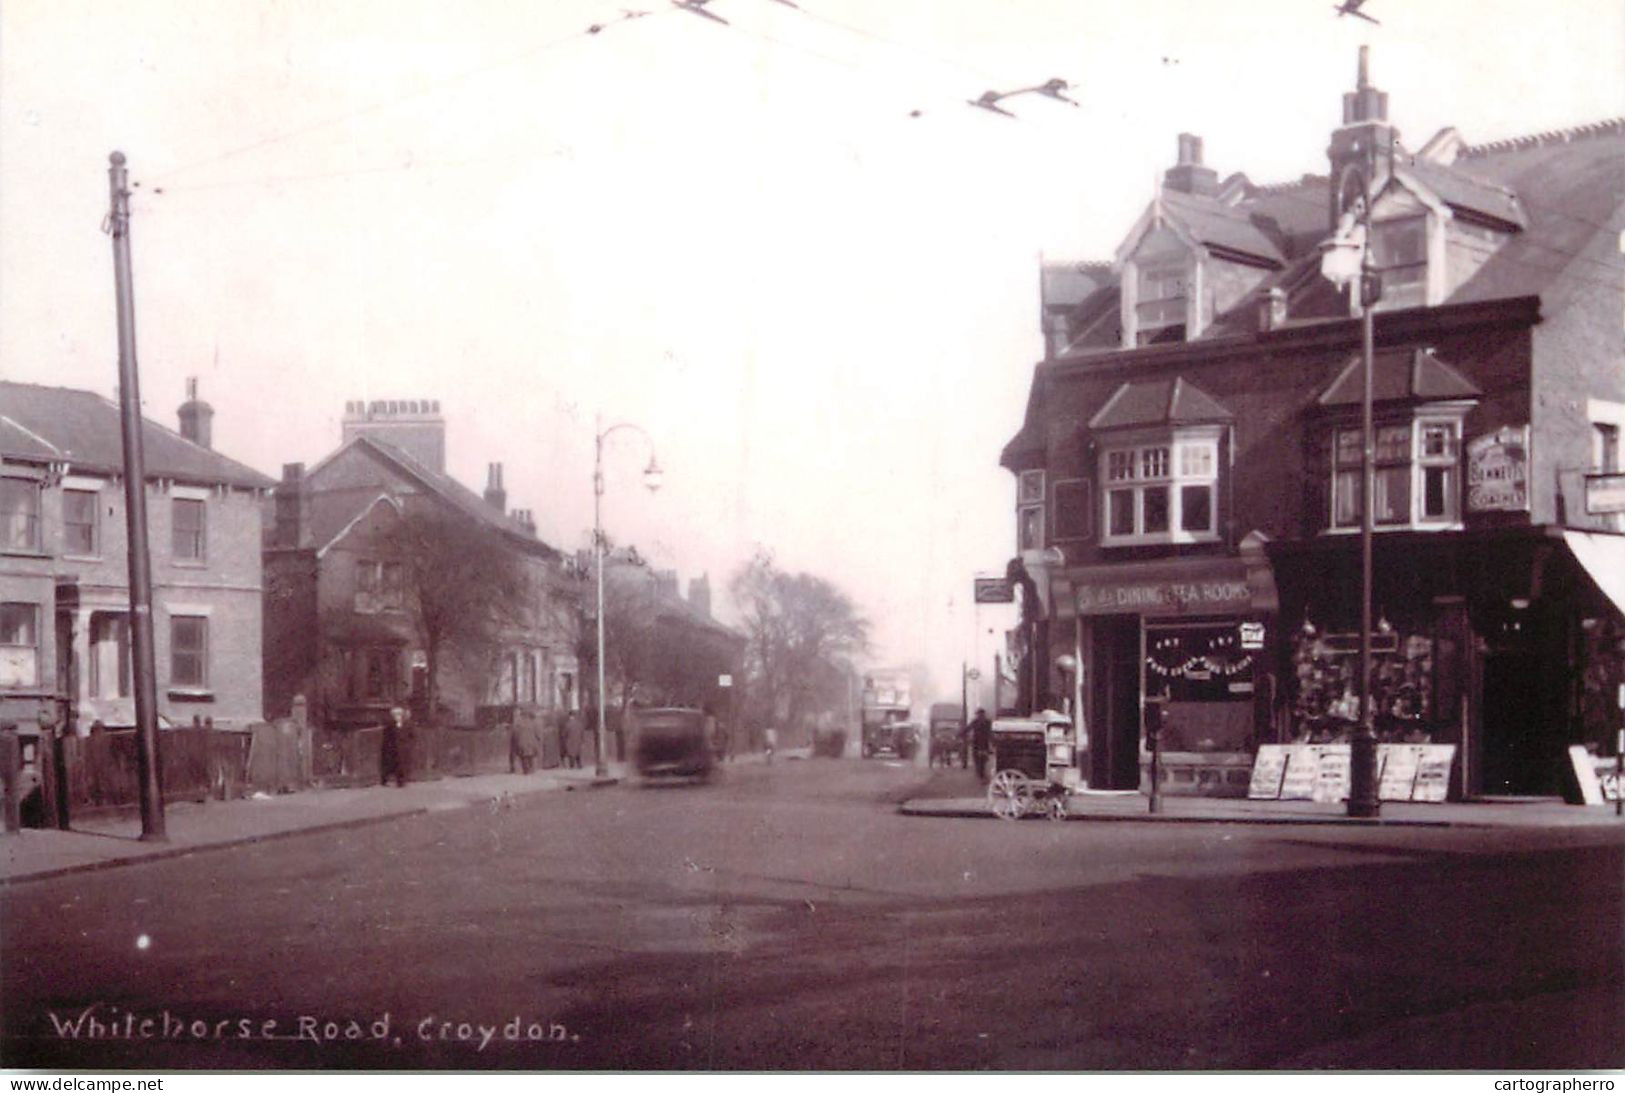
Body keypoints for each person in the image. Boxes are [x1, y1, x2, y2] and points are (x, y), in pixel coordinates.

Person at [380, 706, 411, 787]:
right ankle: (386, 780)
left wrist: (408, 744)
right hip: (393, 748)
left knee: (402, 764)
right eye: (396, 714)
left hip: (403, 748)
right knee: (392, 764)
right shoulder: (390, 725)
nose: (398, 716)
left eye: (399, 714)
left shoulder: (407, 724)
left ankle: (401, 781)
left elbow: (411, 735)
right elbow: (387, 737)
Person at [967, 708, 993, 782]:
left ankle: (981, 775)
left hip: (981, 744)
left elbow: (991, 733)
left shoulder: (985, 722)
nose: (980, 716)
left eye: (980, 714)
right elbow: (967, 729)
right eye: (979, 714)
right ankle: (981, 775)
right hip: (979, 744)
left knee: (981, 760)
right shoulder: (984, 722)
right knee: (979, 760)